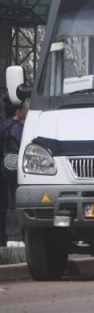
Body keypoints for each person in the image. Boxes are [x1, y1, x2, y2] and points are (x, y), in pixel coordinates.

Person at [1, 99, 28, 246]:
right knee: (16, 203)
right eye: (23, 109)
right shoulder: (18, 128)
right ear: (17, 112)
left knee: (9, 204)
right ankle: (17, 237)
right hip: (15, 167)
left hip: (5, 167)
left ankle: (9, 236)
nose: (25, 112)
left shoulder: (3, 125)